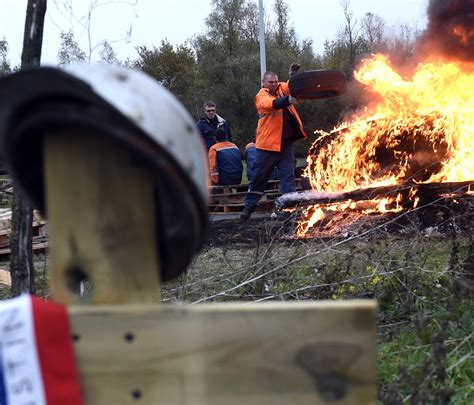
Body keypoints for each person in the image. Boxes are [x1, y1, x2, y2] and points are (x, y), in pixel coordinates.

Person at [240, 63, 308, 221]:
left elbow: (293, 87)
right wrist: (289, 100)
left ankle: (289, 210)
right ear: (263, 82)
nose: (274, 84)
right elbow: (272, 104)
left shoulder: (281, 88)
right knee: (259, 178)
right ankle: (248, 208)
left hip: (285, 145)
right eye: (271, 82)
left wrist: (293, 75)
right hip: (267, 146)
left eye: (276, 81)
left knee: (288, 177)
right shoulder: (261, 96)